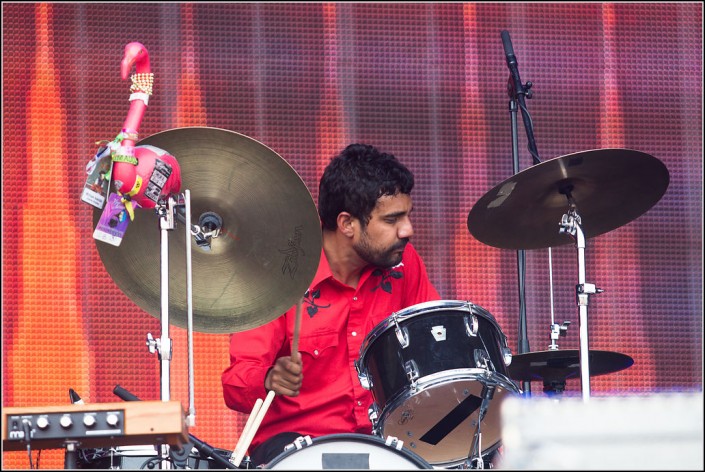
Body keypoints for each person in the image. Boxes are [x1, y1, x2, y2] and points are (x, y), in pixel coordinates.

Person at [221, 143, 440, 467]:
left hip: (387, 441)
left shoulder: (404, 264)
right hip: (293, 448)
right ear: (347, 224)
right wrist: (268, 378)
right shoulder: (280, 275)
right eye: (393, 219)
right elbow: (234, 383)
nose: (408, 230)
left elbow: (435, 343)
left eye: (408, 216)